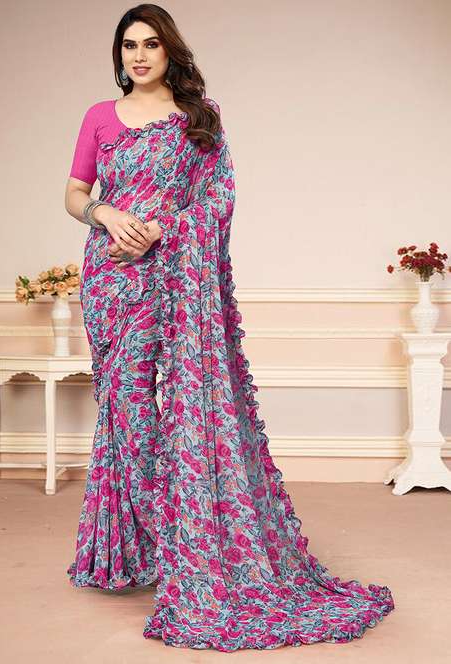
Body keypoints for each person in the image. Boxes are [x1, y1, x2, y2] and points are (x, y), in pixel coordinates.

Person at [64, 3, 395, 652]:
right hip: (109, 281)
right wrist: (105, 215)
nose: (139, 56)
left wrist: (162, 227)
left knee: (184, 412)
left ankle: (191, 548)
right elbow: (74, 193)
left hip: (173, 278)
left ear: (169, 51)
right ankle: (151, 545)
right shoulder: (98, 116)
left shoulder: (199, 116)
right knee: (125, 410)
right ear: (119, 54)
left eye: (150, 44)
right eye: (129, 45)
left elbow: (219, 198)